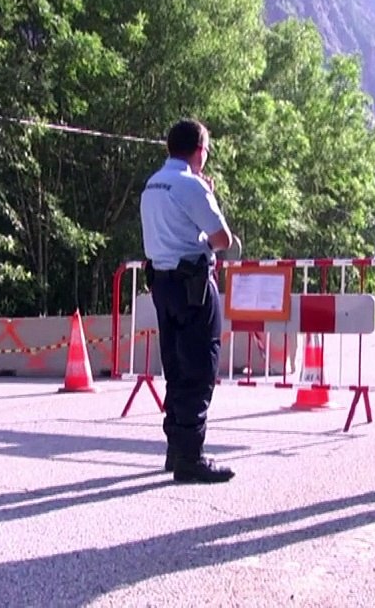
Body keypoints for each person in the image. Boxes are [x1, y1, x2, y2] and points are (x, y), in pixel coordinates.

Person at [139, 118, 240, 484]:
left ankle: (176, 448)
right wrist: (207, 196)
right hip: (193, 284)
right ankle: (191, 457)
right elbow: (222, 238)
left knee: (176, 367)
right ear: (199, 150)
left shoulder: (152, 183)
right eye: (207, 151)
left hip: (163, 284)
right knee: (199, 367)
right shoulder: (191, 185)